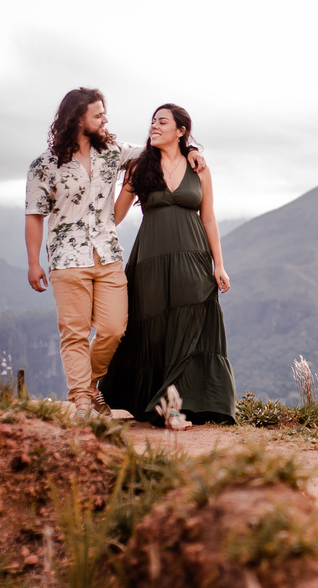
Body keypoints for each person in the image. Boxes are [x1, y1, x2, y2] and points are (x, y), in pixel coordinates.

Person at [25, 88, 204, 422]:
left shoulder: (112, 153)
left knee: (113, 330)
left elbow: (158, 148)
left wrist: (190, 149)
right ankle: (81, 402)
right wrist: (34, 262)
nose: (105, 120)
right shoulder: (43, 166)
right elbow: (34, 216)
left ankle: (89, 386)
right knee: (75, 333)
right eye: (98, 115)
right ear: (77, 119)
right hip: (67, 260)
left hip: (108, 257)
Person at [98, 103, 237, 425]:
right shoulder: (140, 167)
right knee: (155, 330)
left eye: (163, 122)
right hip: (151, 260)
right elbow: (115, 217)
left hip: (193, 257)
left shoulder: (199, 167)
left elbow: (209, 218)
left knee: (191, 329)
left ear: (181, 130)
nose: (154, 126)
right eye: (152, 122)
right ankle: (159, 405)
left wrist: (219, 265)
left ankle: (187, 405)